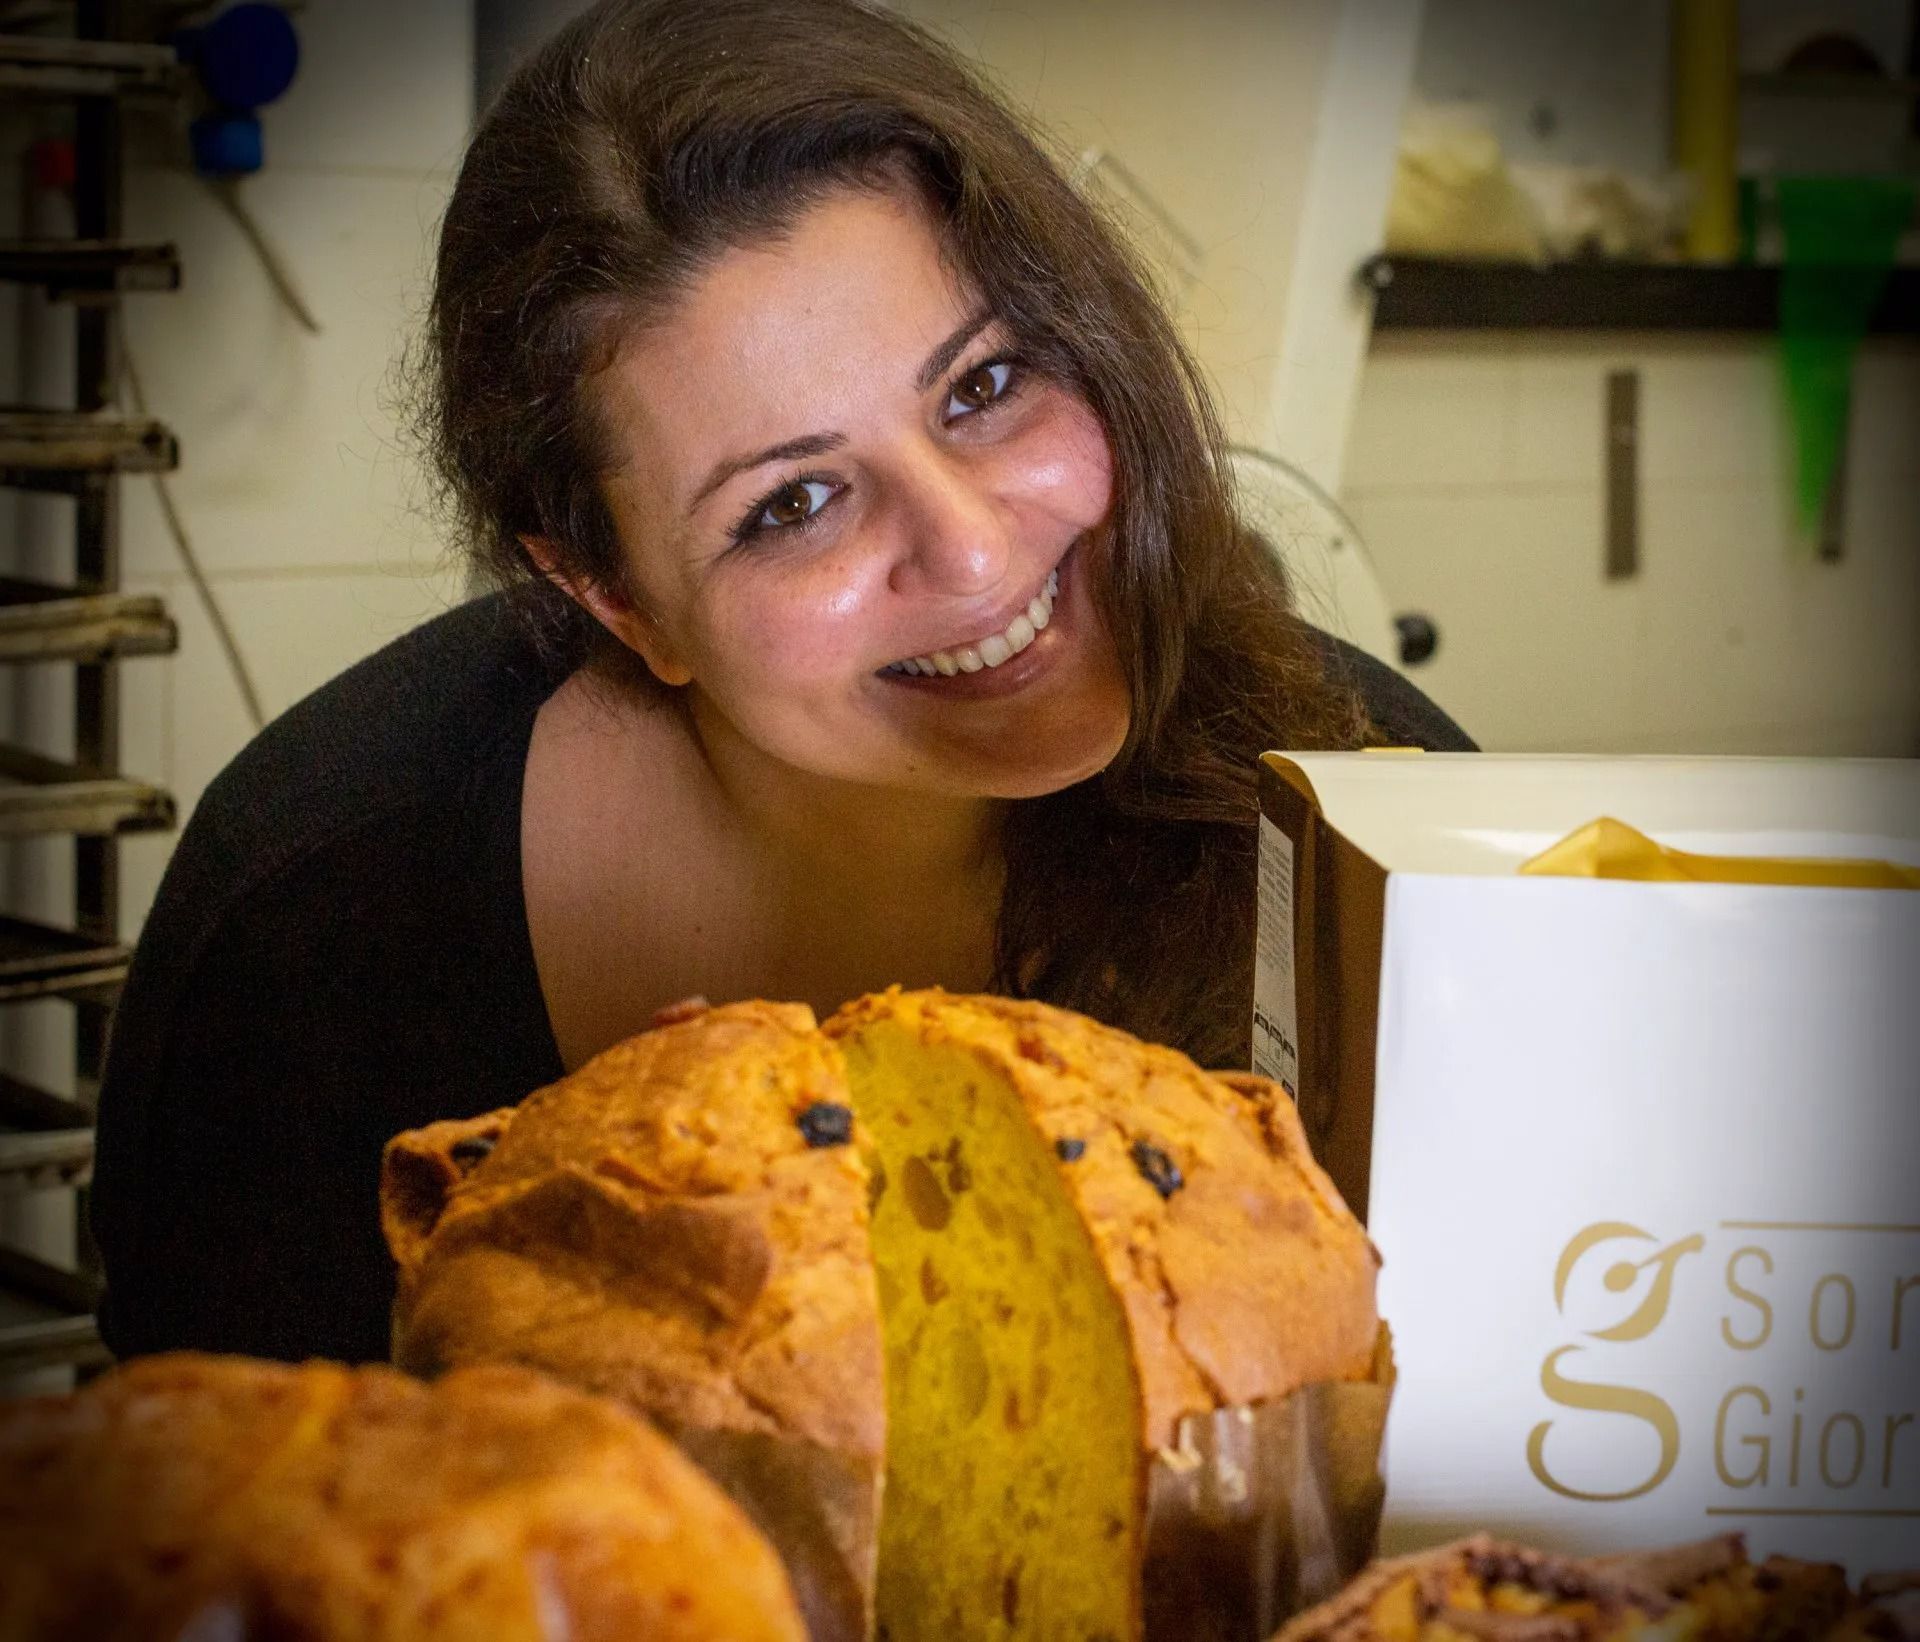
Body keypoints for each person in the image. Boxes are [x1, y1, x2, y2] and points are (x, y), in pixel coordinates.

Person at [90, 0, 1471, 1366]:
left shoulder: (1385, 819)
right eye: (795, 501)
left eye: (986, 385)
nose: (977, 547)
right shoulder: (311, 932)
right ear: (615, 596)